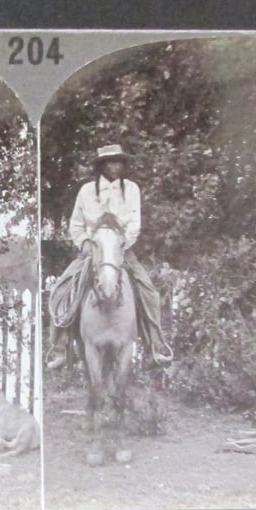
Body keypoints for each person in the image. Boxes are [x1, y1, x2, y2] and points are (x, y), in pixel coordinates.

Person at [46, 143, 173, 369]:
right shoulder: (86, 192)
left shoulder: (131, 189)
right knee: (62, 290)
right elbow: (76, 224)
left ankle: (156, 346)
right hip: (92, 251)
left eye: (119, 162)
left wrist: (121, 245)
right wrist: (85, 242)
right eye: (110, 162)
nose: (115, 166)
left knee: (149, 292)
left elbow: (134, 223)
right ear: (102, 166)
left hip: (121, 251)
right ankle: (60, 347)